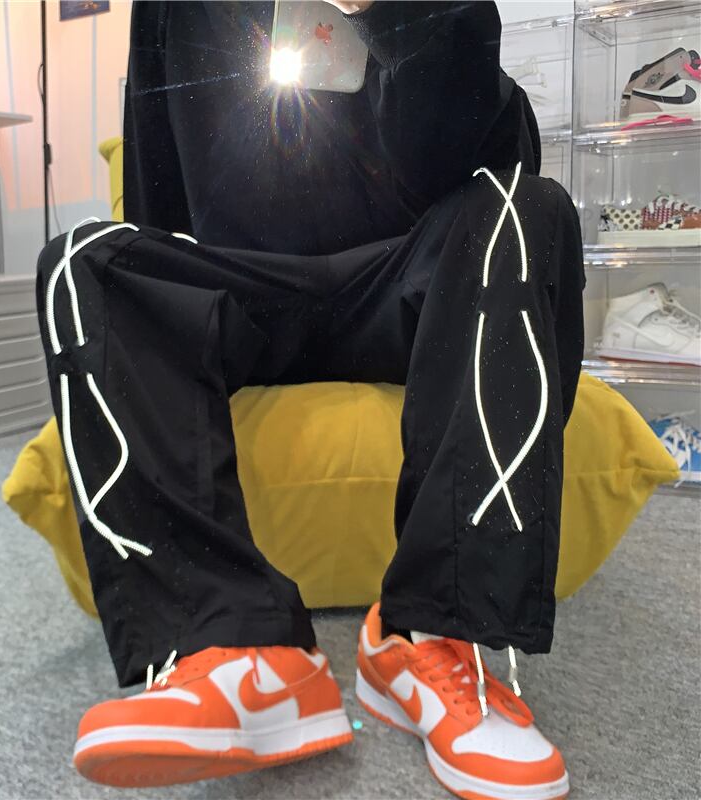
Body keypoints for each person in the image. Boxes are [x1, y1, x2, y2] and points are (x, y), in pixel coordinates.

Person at [36, 2, 584, 798]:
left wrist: (407, 15)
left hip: (403, 279)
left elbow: (494, 175)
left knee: (529, 210)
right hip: (246, 288)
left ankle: (430, 637)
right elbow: (161, 172)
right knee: (80, 264)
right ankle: (229, 645)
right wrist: (167, 314)